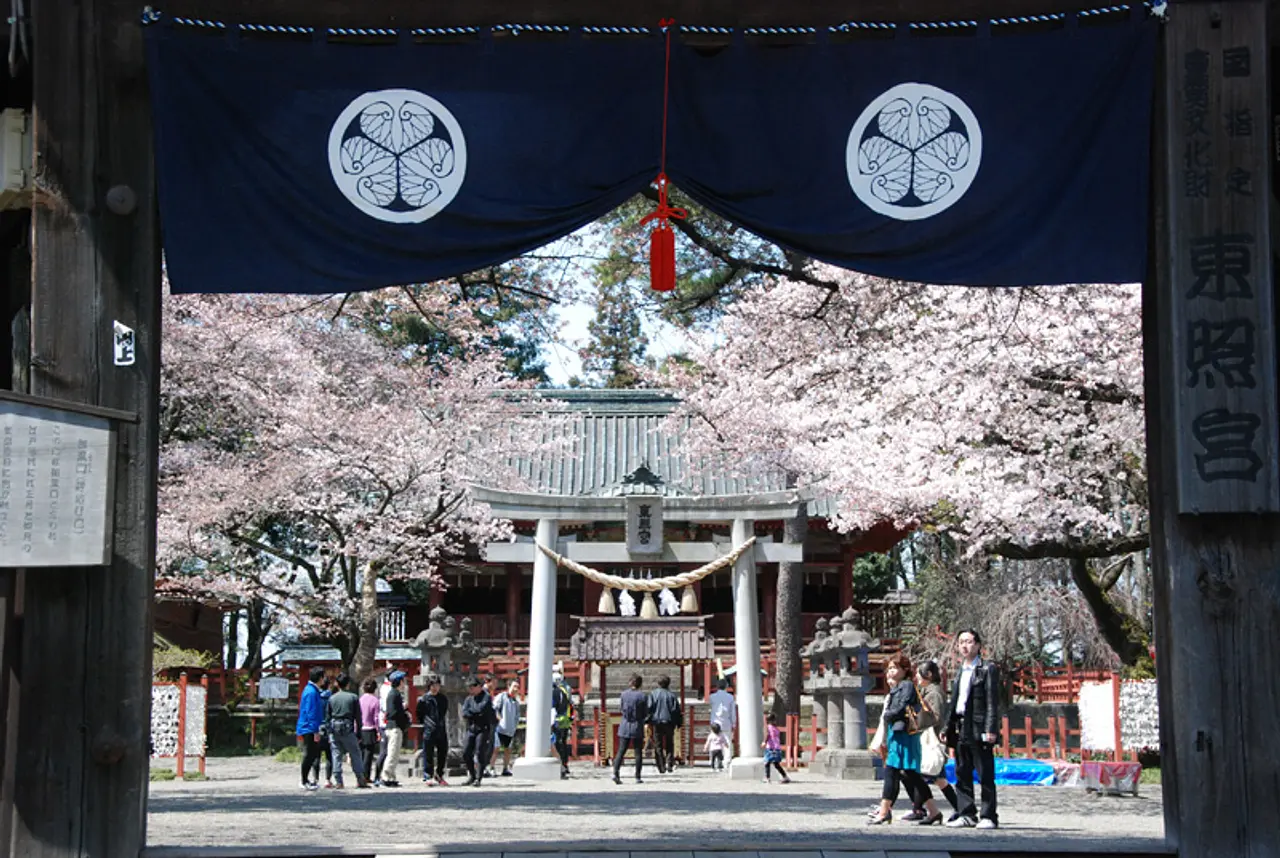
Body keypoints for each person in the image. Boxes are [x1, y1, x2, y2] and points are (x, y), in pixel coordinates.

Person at [868, 653, 939, 826]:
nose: (891, 672)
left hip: (905, 734)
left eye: (895, 668)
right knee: (911, 774)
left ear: (904, 670)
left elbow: (901, 707)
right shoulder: (897, 687)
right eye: (889, 668)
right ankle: (934, 811)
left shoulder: (906, 686)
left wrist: (887, 714)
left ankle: (884, 811)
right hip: (898, 732)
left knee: (892, 771)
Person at [942, 629, 1000, 830]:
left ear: (977, 645)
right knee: (962, 771)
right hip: (960, 725)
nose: (964, 646)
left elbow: (993, 701)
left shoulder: (987, 669)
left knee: (985, 773)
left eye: (969, 642)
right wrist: (946, 726)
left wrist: (991, 728)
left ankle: (988, 815)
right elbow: (955, 701)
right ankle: (967, 813)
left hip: (978, 725)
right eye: (961, 642)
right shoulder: (961, 670)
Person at [909, 660, 958, 823]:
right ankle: (957, 808)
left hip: (933, 739)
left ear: (928, 675)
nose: (916, 676)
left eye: (919, 673)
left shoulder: (934, 693)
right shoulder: (928, 691)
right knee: (938, 779)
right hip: (930, 738)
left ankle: (923, 810)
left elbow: (936, 717)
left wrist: (921, 717)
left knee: (921, 775)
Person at [326, 673, 367, 789]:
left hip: (334, 727)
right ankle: (360, 778)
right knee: (355, 753)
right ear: (348, 684)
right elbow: (358, 717)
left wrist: (329, 732)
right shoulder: (353, 697)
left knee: (336, 754)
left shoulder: (332, 698)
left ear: (337, 684)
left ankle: (338, 780)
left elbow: (327, 717)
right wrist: (359, 732)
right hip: (348, 727)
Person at [612, 673, 649, 784]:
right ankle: (637, 776)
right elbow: (645, 713)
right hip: (637, 725)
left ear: (630, 683)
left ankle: (616, 773)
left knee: (621, 751)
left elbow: (622, 709)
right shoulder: (642, 696)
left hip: (625, 724)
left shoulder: (623, 695)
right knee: (638, 752)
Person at [461, 675, 497, 786]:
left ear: (479, 686)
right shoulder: (468, 699)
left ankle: (478, 777)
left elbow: (481, 708)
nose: (471, 689)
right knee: (466, 752)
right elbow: (465, 713)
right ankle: (472, 775)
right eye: (469, 687)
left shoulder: (486, 697)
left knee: (480, 752)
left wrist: (472, 712)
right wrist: (474, 713)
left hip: (483, 728)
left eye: (473, 686)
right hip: (471, 728)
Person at [295, 667, 327, 791]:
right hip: (309, 727)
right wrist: (315, 731)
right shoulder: (311, 692)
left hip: (310, 726)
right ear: (319, 678)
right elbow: (311, 712)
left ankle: (306, 779)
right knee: (309, 754)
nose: (324, 679)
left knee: (312, 754)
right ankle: (304, 780)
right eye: (323, 677)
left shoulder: (312, 690)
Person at [416, 674, 450, 785]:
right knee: (428, 752)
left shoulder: (443, 698)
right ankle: (427, 775)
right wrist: (426, 723)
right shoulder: (423, 699)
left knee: (442, 752)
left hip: (441, 727)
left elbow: (443, 712)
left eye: (437, 685)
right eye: (433, 685)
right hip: (429, 728)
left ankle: (439, 774)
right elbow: (419, 714)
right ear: (429, 686)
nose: (435, 687)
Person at [646, 675, 681, 774]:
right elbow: (676, 710)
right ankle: (670, 763)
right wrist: (678, 722)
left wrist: (647, 721)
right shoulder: (672, 695)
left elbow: (649, 708)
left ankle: (661, 766)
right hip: (669, 721)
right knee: (670, 743)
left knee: (658, 745)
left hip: (657, 722)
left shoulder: (653, 694)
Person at [381, 671, 410, 787]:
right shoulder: (395, 694)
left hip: (392, 726)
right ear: (400, 682)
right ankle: (386, 776)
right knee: (392, 753)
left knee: (394, 752)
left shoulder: (393, 693)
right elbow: (393, 713)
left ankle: (391, 776)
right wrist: (404, 714)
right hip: (394, 727)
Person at [492, 680, 521, 777]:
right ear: (509, 686)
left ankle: (505, 768)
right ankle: (491, 767)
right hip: (500, 727)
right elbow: (494, 707)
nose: (516, 689)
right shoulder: (502, 696)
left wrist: (514, 726)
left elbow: (517, 716)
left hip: (510, 729)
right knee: (496, 748)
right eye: (514, 686)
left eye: (518, 687)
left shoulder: (516, 702)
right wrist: (498, 717)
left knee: (508, 749)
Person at [311, 677, 335, 788]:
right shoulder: (331, 698)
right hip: (329, 728)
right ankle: (328, 779)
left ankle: (315, 778)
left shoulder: (316, 697)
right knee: (329, 756)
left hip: (318, 727)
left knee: (316, 755)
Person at [552, 668, 575, 779]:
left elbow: (552, 707)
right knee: (564, 744)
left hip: (557, 721)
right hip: (565, 721)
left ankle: (560, 765)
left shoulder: (554, 692)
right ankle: (565, 764)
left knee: (556, 744)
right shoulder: (566, 690)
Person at [358, 678, 380, 787]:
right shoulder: (375, 700)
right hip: (370, 729)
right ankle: (366, 776)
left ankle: (360, 775)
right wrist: (378, 730)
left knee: (361, 753)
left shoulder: (360, 699)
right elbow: (376, 718)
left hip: (361, 728)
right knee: (368, 754)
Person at [708, 678, 736, 760]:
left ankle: (713, 760)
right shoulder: (730, 697)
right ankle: (727, 761)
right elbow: (732, 712)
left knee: (714, 741)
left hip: (715, 722)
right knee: (727, 742)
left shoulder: (712, 697)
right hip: (726, 721)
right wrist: (734, 723)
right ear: (726, 686)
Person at [761, 712, 791, 783]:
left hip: (770, 748)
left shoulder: (768, 727)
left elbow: (767, 735)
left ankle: (767, 777)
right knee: (776, 764)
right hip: (777, 748)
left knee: (767, 762)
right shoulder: (776, 728)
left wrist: (764, 742)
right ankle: (785, 776)